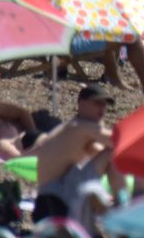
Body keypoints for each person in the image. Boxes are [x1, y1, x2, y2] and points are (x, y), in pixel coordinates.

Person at [30, 84, 125, 223]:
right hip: (57, 198)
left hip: (47, 199)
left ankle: (118, 203)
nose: (102, 109)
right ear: (81, 103)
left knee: (107, 153)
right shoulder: (79, 127)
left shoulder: (71, 128)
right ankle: (124, 205)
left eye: (104, 105)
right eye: (97, 103)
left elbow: (96, 150)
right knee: (112, 152)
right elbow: (118, 141)